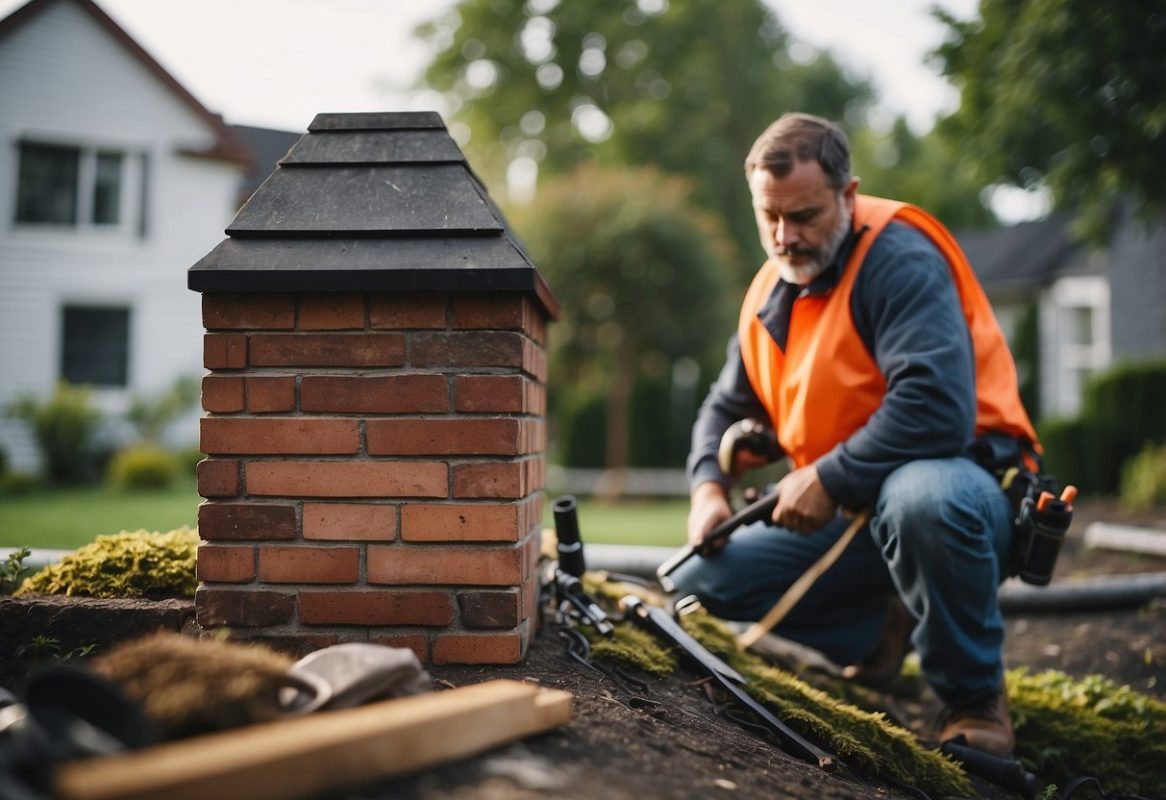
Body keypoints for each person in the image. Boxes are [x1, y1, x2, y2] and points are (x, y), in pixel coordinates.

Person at [671, 112, 1039, 756]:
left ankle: (974, 697)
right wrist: (708, 488)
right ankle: (879, 632)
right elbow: (720, 407)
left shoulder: (899, 262)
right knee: (704, 580)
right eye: (770, 218)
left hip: (966, 492)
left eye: (806, 216)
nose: (785, 238)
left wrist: (827, 475)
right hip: (857, 515)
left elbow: (937, 409)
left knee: (922, 497)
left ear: (848, 194)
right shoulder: (771, 289)